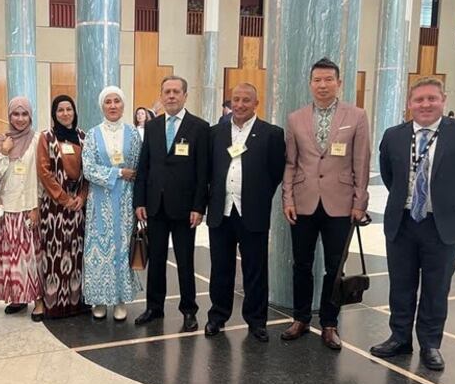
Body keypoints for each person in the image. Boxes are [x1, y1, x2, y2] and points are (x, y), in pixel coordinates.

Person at [372, 77, 455, 370]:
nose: (425, 104)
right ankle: (399, 337)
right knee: (401, 284)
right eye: (419, 99)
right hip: (404, 221)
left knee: (436, 287)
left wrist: (454, 203)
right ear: (409, 104)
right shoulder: (394, 135)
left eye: (431, 98)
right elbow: (389, 174)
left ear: (443, 100)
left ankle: (430, 344)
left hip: (442, 224)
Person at [280, 58, 370, 349]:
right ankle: (301, 318)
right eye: (317, 80)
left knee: (335, 267)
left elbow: (362, 162)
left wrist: (360, 202)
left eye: (328, 80)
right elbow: (291, 164)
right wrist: (288, 198)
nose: (322, 85)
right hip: (303, 203)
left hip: (340, 205)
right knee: (301, 264)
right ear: (310, 83)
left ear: (339, 83)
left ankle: (330, 324)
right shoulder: (295, 118)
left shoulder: (356, 116)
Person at [204, 83, 285, 342]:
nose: (239, 105)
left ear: (256, 103)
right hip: (221, 211)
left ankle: (257, 321)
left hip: (253, 212)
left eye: (246, 100)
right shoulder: (215, 132)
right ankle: (217, 316)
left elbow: (275, 172)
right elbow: (207, 170)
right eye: (236, 99)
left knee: (255, 270)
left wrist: (258, 196)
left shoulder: (271, 134)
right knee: (220, 268)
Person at [133, 75, 210, 332]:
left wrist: (199, 207)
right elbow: (144, 166)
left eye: (177, 91)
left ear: (185, 95)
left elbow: (203, 173)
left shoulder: (199, 127)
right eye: (167, 91)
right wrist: (140, 200)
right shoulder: (153, 127)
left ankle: (189, 310)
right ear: (161, 95)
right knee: (155, 260)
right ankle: (154, 308)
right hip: (155, 206)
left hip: (185, 209)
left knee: (185, 261)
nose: (171, 96)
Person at [82, 86, 142, 320]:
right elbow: (88, 169)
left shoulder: (133, 134)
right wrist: (117, 173)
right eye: (108, 102)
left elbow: (137, 169)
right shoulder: (93, 134)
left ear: (123, 105)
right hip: (100, 202)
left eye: (117, 101)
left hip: (126, 202)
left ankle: (119, 299)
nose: (113, 105)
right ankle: (99, 299)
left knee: (121, 249)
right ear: (102, 106)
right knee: (99, 249)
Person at [0, 97, 44, 320]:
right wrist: (3, 152)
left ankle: (39, 299)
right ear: (9, 116)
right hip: (9, 206)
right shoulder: (1, 140)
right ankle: (18, 297)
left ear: (30, 116)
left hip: (29, 205)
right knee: (12, 256)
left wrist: (38, 205)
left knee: (32, 255)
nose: (20, 119)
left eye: (24, 114)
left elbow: (43, 174)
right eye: (15, 114)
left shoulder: (39, 139)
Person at [37, 95, 89, 319]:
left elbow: (90, 170)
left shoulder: (83, 137)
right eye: (60, 110)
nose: (65, 113)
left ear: (74, 112)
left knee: (77, 253)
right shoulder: (46, 138)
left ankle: (76, 302)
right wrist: (64, 198)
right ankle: (55, 303)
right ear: (54, 114)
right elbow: (44, 171)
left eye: (69, 109)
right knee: (55, 253)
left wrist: (82, 196)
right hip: (55, 208)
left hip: (78, 206)